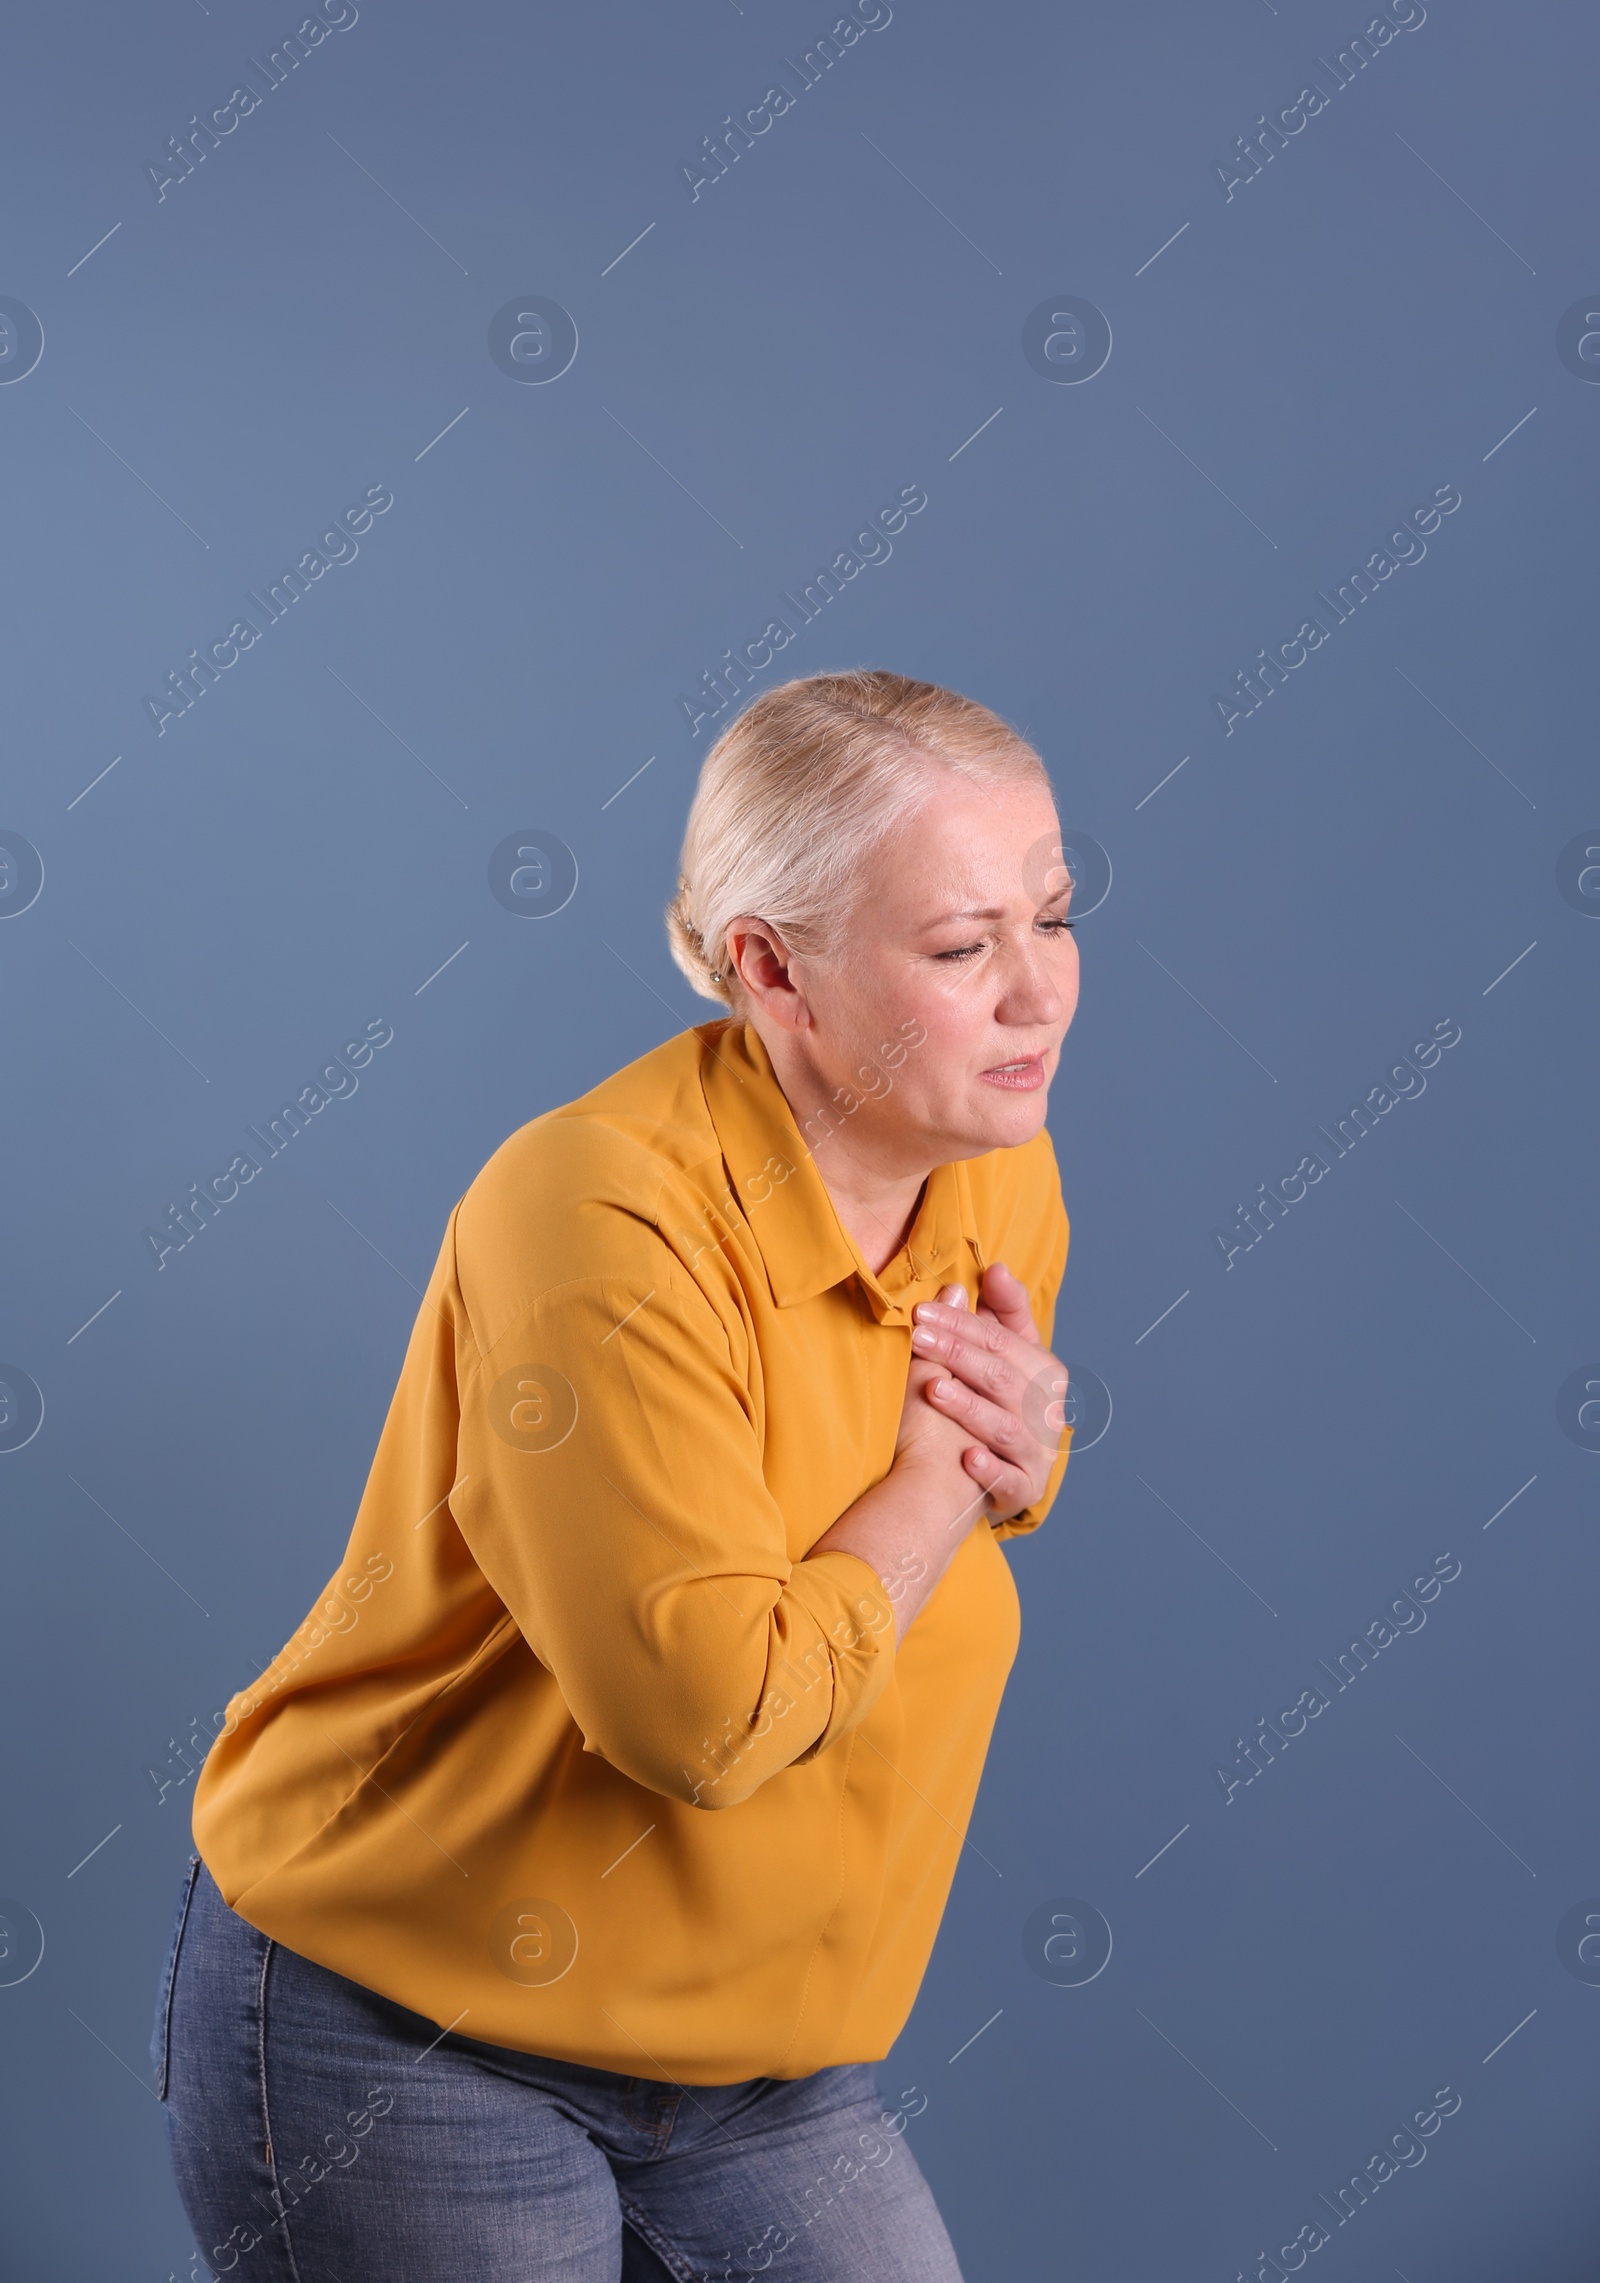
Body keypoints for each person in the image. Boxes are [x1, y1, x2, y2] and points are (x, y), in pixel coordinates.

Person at [152, 669, 1080, 2282]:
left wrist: (1015, 1457)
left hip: (758, 2057)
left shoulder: (990, 1163)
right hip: (412, 2021)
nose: (1039, 995)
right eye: (960, 946)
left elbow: (921, 1484)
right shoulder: (593, 1217)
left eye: (1052, 917)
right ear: (771, 970)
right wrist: (952, 1475)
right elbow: (707, 1717)